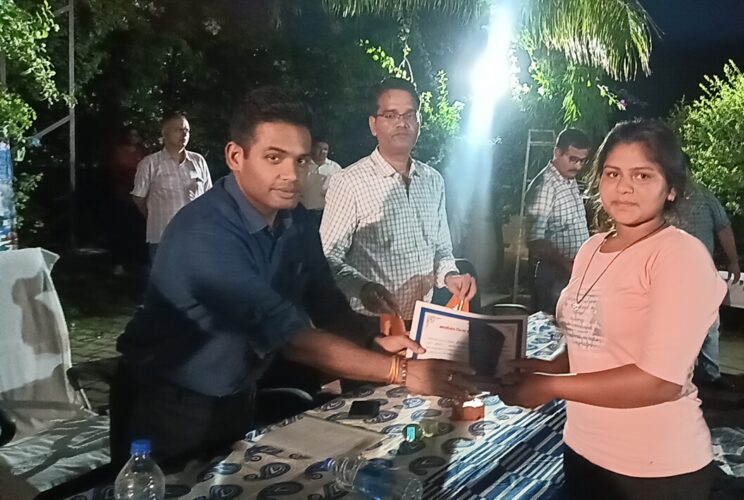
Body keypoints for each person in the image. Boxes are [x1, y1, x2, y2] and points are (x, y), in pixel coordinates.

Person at [110, 87, 474, 469]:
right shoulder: (204, 232)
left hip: (238, 392)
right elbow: (288, 336)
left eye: (300, 161)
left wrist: (373, 341)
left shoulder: (295, 221)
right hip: (166, 401)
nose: (290, 174)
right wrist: (401, 372)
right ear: (235, 156)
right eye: (274, 158)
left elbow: (325, 302)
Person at [500, 119, 726, 500]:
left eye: (643, 175)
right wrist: (547, 366)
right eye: (613, 173)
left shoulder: (678, 255)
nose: (624, 187)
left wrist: (550, 387)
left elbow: (660, 380)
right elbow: (590, 341)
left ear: (671, 188)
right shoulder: (591, 249)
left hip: (654, 469)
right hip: (583, 449)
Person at [321, 77, 475, 321]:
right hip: (371, 322)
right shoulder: (349, 182)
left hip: (422, 318)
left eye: (409, 115)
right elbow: (328, 257)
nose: (402, 123)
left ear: (418, 122)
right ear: (373, 125)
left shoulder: (432, 181)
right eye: (391, 115)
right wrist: (363, 287)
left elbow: (442, 250)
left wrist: (450, 276)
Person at [667, 157, 741, 387]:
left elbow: (723, 227)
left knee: (710, 325)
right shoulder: (660, 198)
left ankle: (710, 374)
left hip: (701, 272)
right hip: (668, 274)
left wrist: (733, 261)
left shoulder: (704, 196)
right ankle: (677, 373)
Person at [525, 128, 592, 314]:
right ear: (557, 153)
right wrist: (566, 264)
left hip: (573, 273)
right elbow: (535, 241)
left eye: (582, 161)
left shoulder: (568, 180)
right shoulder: (545, 186)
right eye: (573, 159)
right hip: (554, 276)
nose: (577, 166)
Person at [131, 112, 212, 263]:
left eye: (187, 130)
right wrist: (154, 215)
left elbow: (208, 197)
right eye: (178, 130)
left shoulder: (198, 161)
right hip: (164, 237)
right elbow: (138, 198)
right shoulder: (150, 163)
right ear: (165, 133)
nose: (184, 134)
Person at [105, 127, 147, 274]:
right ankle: (118, 262)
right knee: (120, 227)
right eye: (130, 135)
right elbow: (113, 171)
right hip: (122, 193)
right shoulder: (118, 152)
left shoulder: (142, 153)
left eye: (136, 135)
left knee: (139, 227)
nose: (133, 137)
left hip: (140, 195)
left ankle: (140, 260)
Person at [299, 139, 342, 226]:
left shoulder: (335, 168)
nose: (322, 152)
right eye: (319, 148)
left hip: (325, 214)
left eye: (325, 149)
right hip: (301, 213)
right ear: (312, 148)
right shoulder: (303, 165)